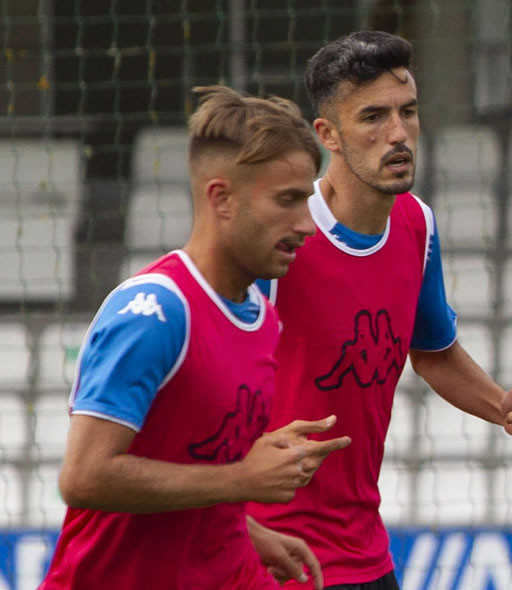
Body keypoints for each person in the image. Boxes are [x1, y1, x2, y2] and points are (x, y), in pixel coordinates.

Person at [246, 31, 512, 589]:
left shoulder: (417, 224)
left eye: (407, 112)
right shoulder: (280, 238)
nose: (398, 133)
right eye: (373, 117)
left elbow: (432, 352)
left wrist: (500, 407)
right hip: (273, 549)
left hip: (364, 550)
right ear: (328, 135)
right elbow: (213, 379)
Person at [39, 85, 352, 590]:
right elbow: (84, 477)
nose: (306, 225)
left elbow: (194, 465)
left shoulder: (261, 316)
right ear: (221, 199)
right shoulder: (155, 313)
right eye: (288, 201)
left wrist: (245, 527)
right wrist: (242, 482)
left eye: (308, 202)